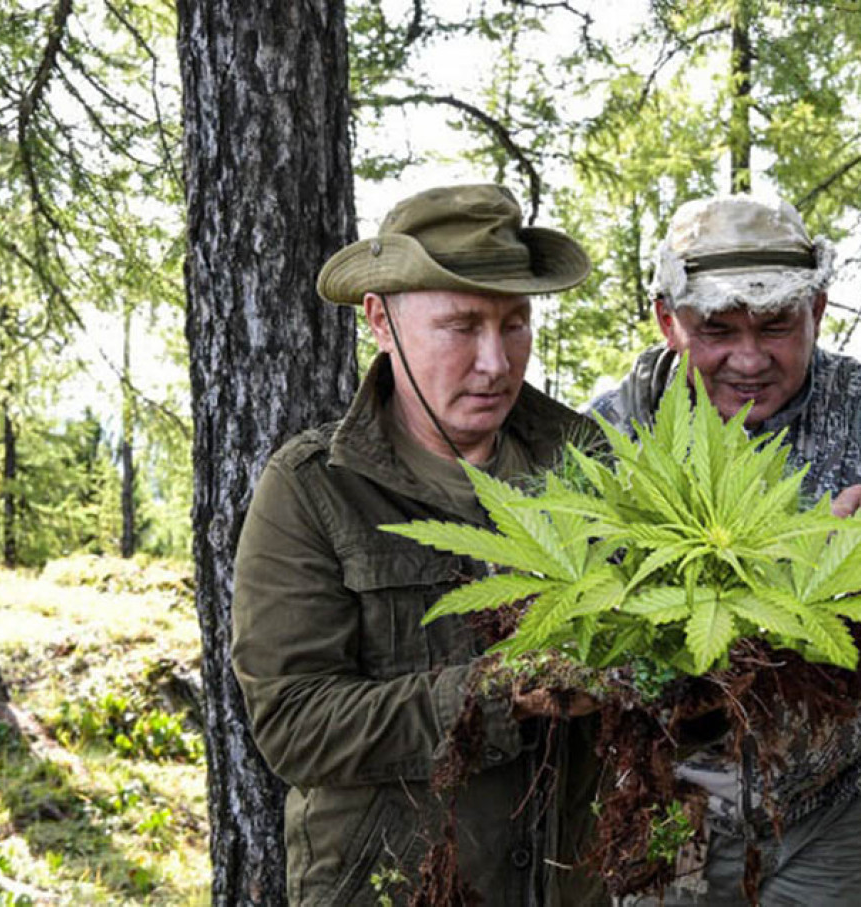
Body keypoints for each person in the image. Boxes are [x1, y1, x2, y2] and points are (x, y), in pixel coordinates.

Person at [590, 194, 861, 906]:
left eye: (776, 326)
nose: (748, 357)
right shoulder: (612, 434)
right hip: (659, 808)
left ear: (819, 310)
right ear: (668, 321)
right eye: (718, 328)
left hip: (836, 814)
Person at [232, 184, 607, 906]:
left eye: (515, 324)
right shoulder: (314, 489)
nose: (496, 363)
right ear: (381, 319)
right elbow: (293, 723)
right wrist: (493, 696)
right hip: (392, 888)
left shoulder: (588, 466)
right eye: (461, 326)